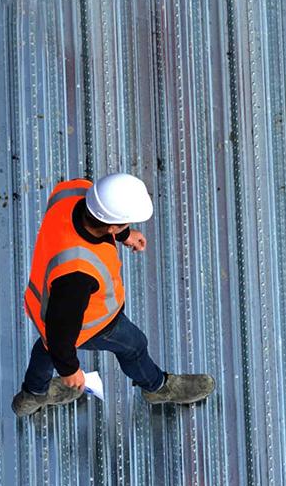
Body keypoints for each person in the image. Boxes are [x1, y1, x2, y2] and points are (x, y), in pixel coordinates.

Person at [12, 173, 215, 416]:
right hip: (94, 323)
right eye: (125, 224)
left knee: (46, 346)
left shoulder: (72, 191)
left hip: (41, 301)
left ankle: (33, 395)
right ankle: (157, 387)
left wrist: (124, 235)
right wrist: (69, 370)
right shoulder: (77, 274)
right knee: (134, 346)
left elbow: (96, 215)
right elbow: (60, 333)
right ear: (110, 226)